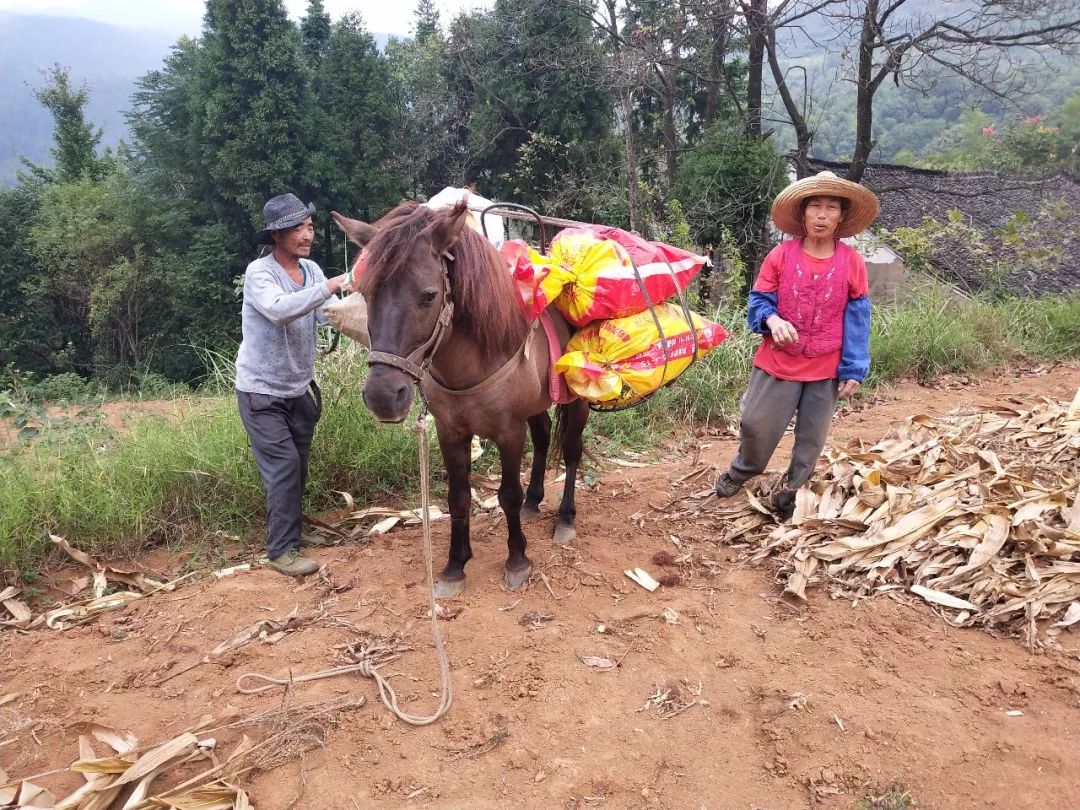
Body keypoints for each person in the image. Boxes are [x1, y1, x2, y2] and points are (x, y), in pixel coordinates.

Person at [714, 171, 879, 519]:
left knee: (812, 437)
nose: (821, 215)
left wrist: (854, 367)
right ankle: (743, 470)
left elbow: (858, 316)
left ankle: (792, 490)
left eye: (830, 208)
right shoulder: (781, 255)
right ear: (803, 214)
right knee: (755, 424)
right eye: (815, 207)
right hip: (779, 362)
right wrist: (773, 320)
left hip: (825, 366)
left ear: (841, 217)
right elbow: (759, 299)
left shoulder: (851, 262)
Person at [235, 193, 350, 576]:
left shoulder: (312, 270)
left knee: (297, 467)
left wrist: (363, 309)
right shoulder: (260, 273)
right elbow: (282, 310)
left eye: (310, 226)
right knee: (283, 467)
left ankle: (294, 534)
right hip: (260, 391)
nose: (307, 234)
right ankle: (281, 551)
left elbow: (325, 316)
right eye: (297, 228)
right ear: (276, 235)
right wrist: (334, 284)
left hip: (298, 389)